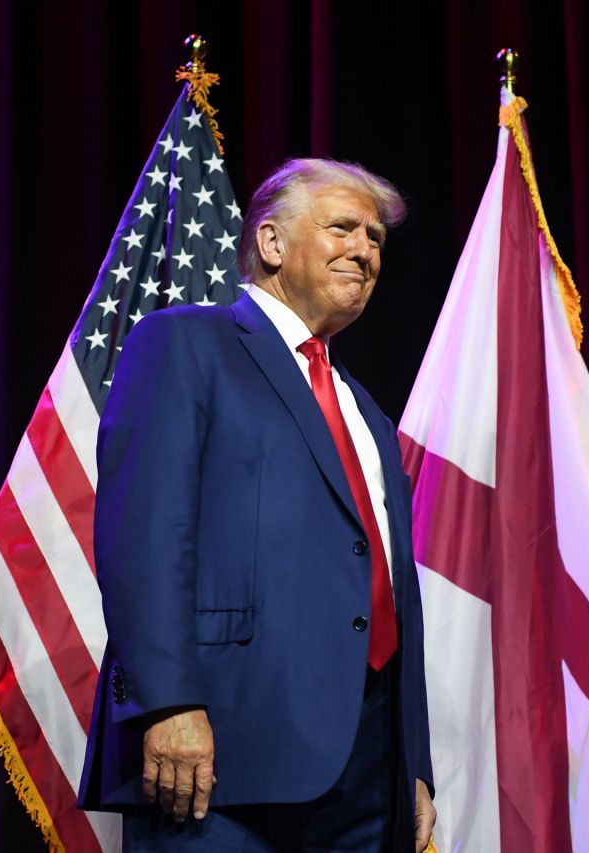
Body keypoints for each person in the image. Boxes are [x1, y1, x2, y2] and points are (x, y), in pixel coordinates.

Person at [77, 158, 435, 852]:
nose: (365, 250)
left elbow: (393, 588)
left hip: (369, 773)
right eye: (343, 228)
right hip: (223, 758)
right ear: (272, 244)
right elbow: (145, 536)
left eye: (376, 239)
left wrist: (412, 764)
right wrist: (170, 701)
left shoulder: (368, 413)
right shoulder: (184, 343)